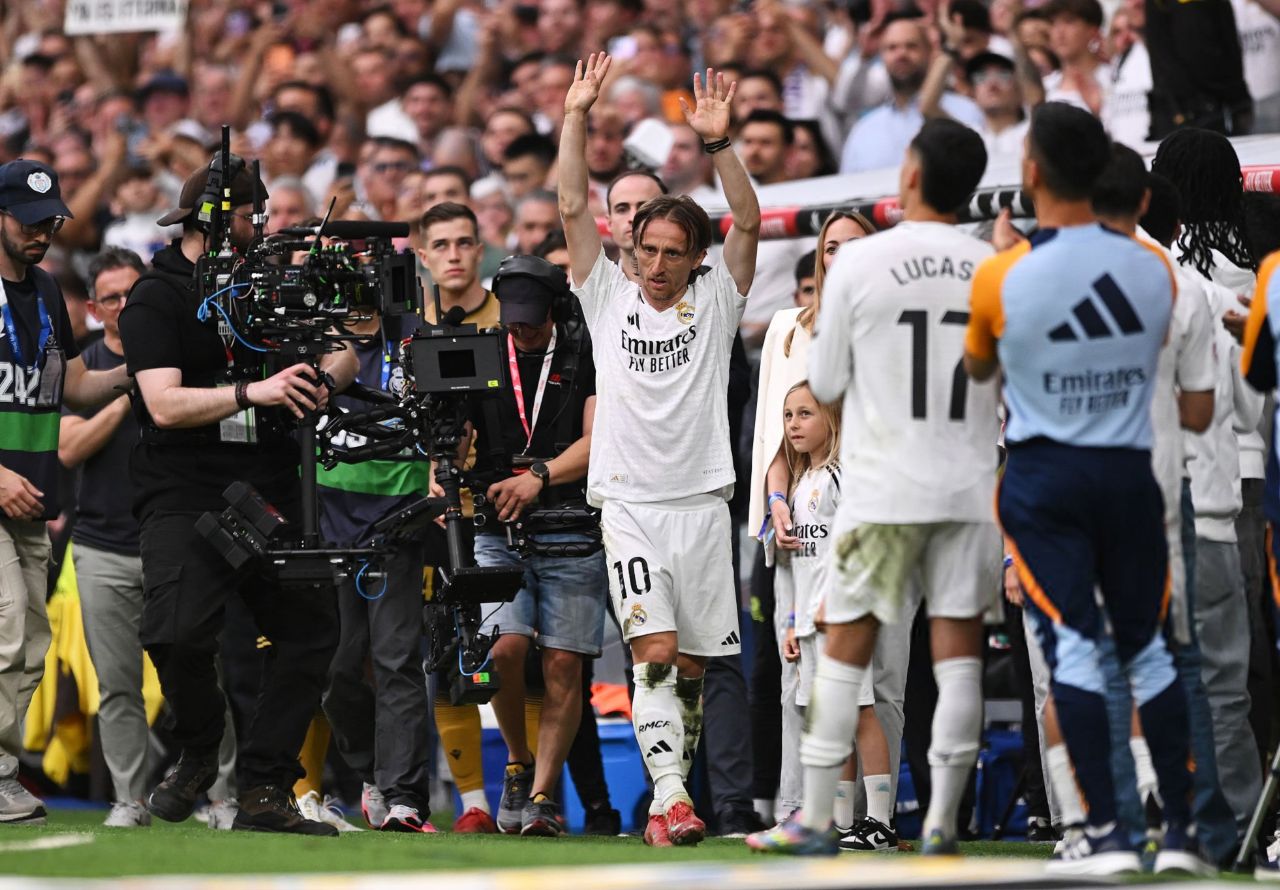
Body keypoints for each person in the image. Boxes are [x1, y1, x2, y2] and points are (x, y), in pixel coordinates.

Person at [748, 118, 998, 857]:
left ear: (910, 175)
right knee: (956, 658)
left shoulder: (862, 263)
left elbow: (824, 381)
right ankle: (942, 821)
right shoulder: (991, 265)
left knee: (842, 657)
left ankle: (816, 817)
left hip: (882, 486)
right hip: (965, 484)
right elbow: (997, 377)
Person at [963, 103, 1201, 876]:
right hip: (1129, 472)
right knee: (1149, 651)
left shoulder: (1002, 273)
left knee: (1074, 649)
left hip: (1047, 475)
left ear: (1032, 172)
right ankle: (1181, 834)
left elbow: (978, 368)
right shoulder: (1154, 268)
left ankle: (1105, 833)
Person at [118, 158, 357, 836]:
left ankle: (265, 787)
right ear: (216, 222)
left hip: (272, 483)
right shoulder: (156, 296)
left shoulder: (273, 283)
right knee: (173, 633)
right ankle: (199, 747)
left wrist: (322, 379)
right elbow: (163, 404)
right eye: (254, 216)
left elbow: (345, 349)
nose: (264, 226)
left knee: (311, 631)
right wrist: (254, 390)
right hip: (184, 487)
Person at [559, 54, 761, 847]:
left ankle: (665, 800)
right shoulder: (606, 294)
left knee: (694, 669)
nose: (657, 265)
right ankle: (673, 798)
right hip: (631, 504)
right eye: (647, 250)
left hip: (704, 503)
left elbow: (749, 221)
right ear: (631, 248)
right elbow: (571, 204)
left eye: (674, 253)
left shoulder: (717, 299)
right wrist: (576, 116)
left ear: (696, 258)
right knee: (655, 649)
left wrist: (719, 145)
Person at [0, 159, 132, 826]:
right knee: (6, 627)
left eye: (49, 222)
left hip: (34, 497)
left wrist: (146, 371)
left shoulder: (49, 289)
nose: (41, 233)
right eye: (27, 221)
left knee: (30, 647)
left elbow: (77, 387)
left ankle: (2, 774)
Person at [466, 255, 604, 837]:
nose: (521, 328)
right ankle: (518, 766)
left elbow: (600, 439)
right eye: (513, 317)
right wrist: (447, 458)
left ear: (557, 309)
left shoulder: (586, 350)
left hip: (572, 524)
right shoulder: (481, 352)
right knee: (504, 649)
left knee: (565, 662)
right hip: (498, 524)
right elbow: (456, 439)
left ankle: (543, 795)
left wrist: (538, 476)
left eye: (532, 318)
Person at [316, 302, 433, 833]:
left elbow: (451, 415)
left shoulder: (415, 334)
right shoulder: (309, 335)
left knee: (397, 660)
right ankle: (370, 771)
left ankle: (404, 795)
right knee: (338, 667)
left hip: (398, 523)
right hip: (328, 525)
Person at [58, 248, 150, 828]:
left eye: (132, 294)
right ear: (93, 309)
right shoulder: (80, 366)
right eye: (111, 297)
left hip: (173, 542)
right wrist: (130, 390)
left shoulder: (182, 356)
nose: (122, 305)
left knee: (198, 677)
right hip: (100, 545)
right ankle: (129, 800)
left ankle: (221, 796)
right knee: (117, 687)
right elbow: (68, 448)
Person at [839, 19, 984, 173]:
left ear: (929, 53)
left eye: (911, 46)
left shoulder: (966, 111)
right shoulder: (863, 130)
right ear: (882, 56)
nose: (901, 54)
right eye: (892, 48)